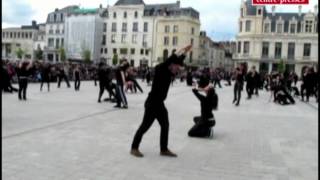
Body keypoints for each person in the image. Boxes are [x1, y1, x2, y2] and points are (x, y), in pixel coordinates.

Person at [130, 44, 192, 158]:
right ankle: (134, 148)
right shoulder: (161, 69)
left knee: (165, 125)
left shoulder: (169, 72)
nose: (178, 70)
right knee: (145, 126)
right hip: (152, 103)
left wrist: (185, 52)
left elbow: (178, 60)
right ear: (171, 65)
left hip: (160, 104)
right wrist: (181, 49)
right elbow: (171, 58)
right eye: (177, 67)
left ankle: (163, 149)